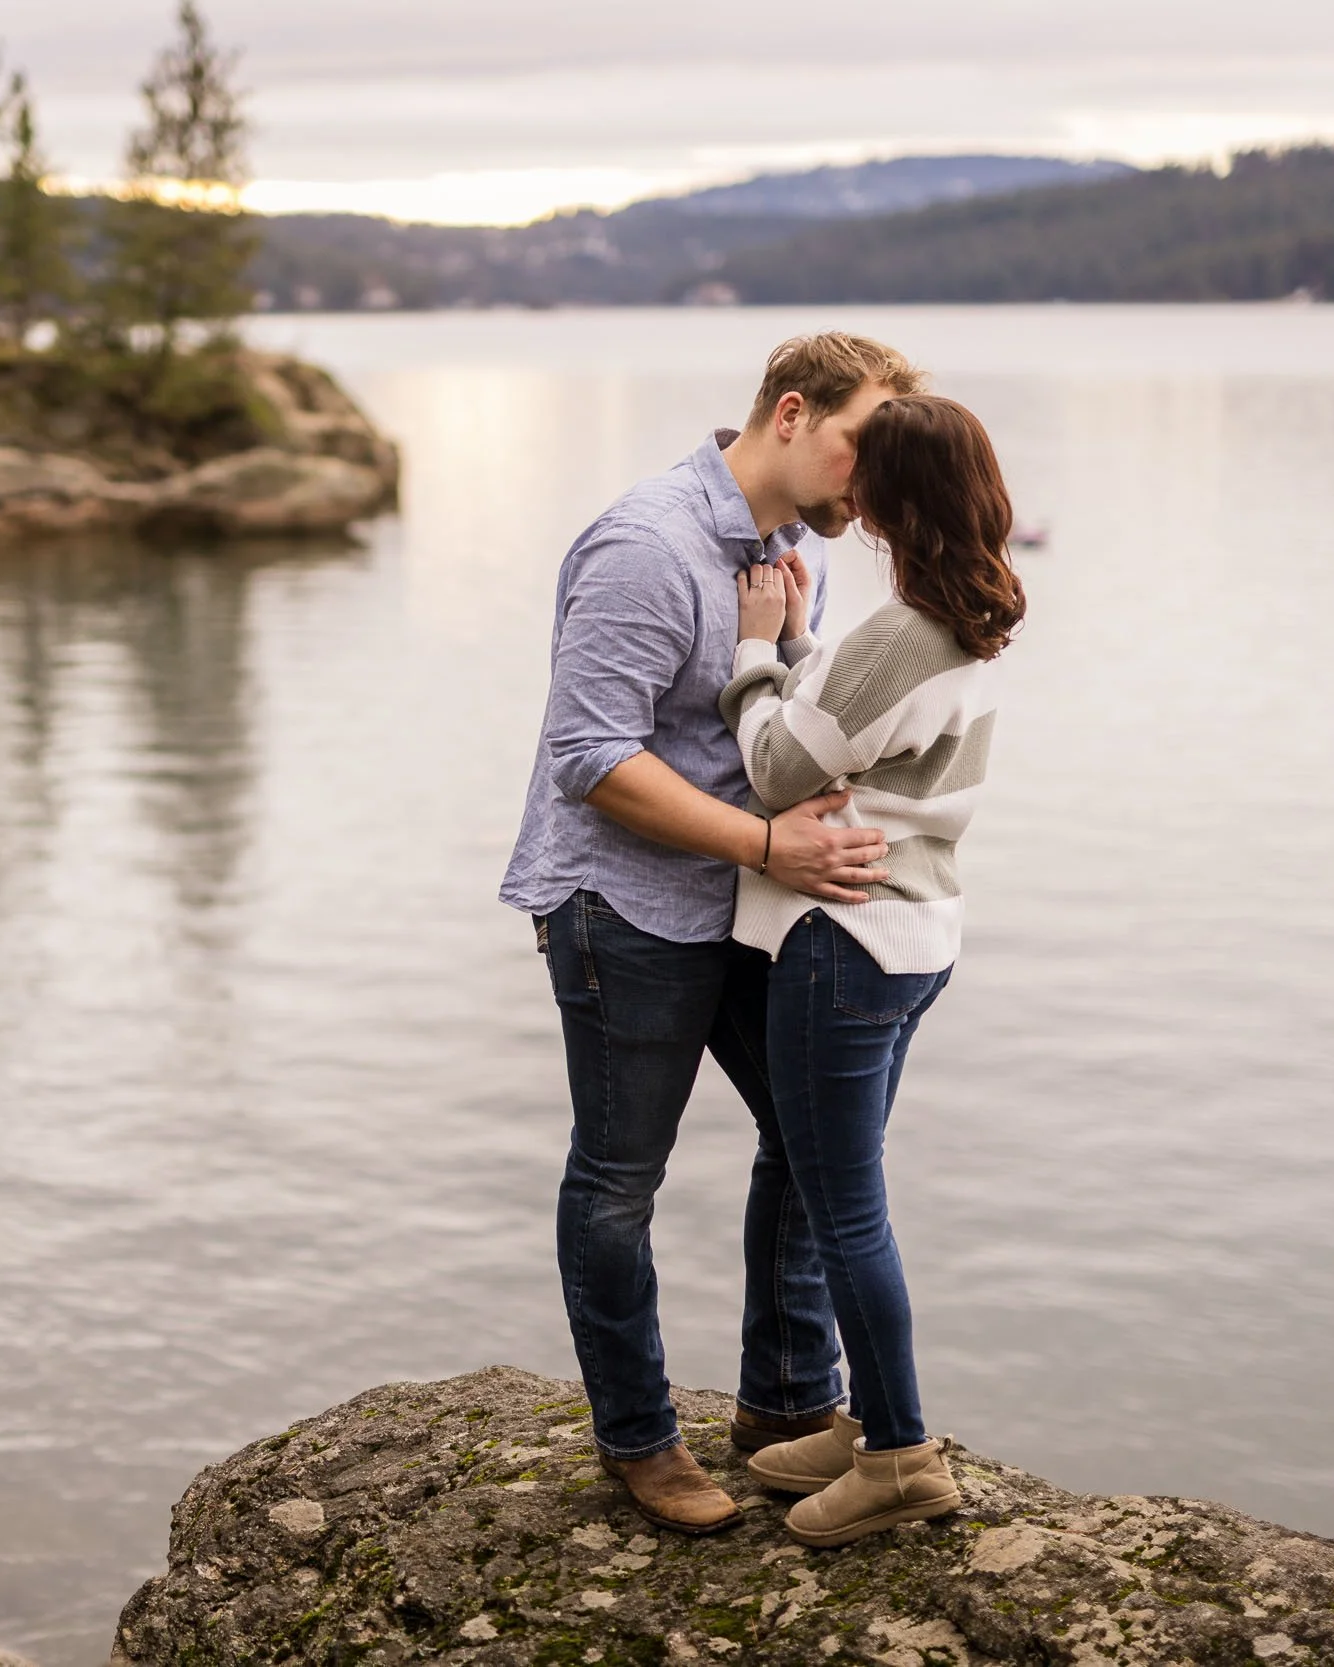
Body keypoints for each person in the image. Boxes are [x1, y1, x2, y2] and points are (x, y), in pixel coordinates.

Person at [500, 333, 926, 1535]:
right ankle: (638, 1440)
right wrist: (769, 846)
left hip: (743, 898)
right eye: (861, 445)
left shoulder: (791, 550)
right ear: (790, 414)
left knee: (809, 1142)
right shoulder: (646, 546)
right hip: (622, 907)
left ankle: (782, 1405)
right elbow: (591, 760)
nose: (873, 482)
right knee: (620, 1180)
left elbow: (772, 730)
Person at [722, 393, 1026, 1547]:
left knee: (843, 1209)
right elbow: (854, 729)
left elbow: (772, 769)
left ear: (895, 498)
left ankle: (900, 1452)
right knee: (829, 1188)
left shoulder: (901, 631)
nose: (846, 491)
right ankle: (863, 1427)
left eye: (864, 474)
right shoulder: (968, 616)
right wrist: (805, 652)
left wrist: (757, 647)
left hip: (843, 944)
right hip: (915, 935)